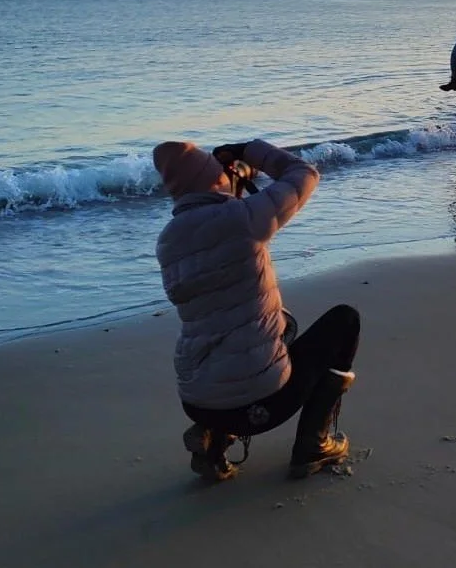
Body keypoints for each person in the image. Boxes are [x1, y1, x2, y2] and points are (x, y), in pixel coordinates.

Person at [152, 137, 360, 483]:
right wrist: (250, 150)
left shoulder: (168, 240)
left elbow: (215, 238)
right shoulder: (242, 218)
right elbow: (303, 173)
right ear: (213, 179)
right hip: (258, 407)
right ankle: (314, 444)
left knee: (276, 326)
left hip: (196, 400)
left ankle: (211, 438)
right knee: (344, 321)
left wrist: (228, 187)